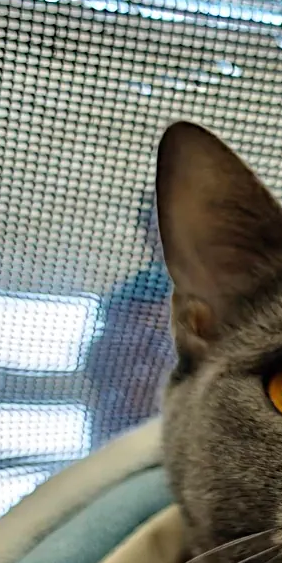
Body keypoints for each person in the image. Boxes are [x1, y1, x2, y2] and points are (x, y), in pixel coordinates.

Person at [83, 190, 175, 445]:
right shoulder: (133, 292)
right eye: (160, 224)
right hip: (129, 430)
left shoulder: (221, 290)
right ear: (149, 234)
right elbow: (100, 363)